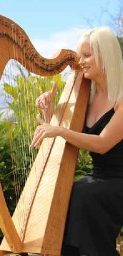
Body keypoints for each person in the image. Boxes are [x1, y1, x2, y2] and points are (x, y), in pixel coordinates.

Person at [30, 27, 123, 256]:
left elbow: (101, 143)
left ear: (106, 55)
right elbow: (60, 127)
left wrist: (59, 130)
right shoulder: (86, 94)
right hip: (98, 177)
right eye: (80, 56)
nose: (80, 61)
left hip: (119, 181)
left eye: (87, 55)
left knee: (83, 195)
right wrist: (49, 108)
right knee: (68, 194)